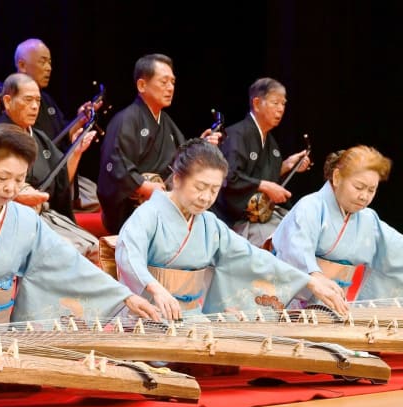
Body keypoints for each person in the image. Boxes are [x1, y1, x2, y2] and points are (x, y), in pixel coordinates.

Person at [0, 123, 160, 328]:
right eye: (2, 178)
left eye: (19, 179)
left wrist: (123, 295)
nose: (11, 188)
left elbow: (68, 263)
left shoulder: (26, 220)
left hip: (0, 328)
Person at [115, 139, 347, 319]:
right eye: (200, 187)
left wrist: (308, 280)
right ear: (177, 179)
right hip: (149, 316)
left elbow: (252, 258)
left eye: (214, 190)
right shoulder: (148, 215)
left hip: (190, 318)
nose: (206, 197)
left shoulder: (209, 223)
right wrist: (156, 289)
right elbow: (129, 257)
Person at [97, 53, 221, 234]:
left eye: (172, 82)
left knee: (205, 215)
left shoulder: (166, 122)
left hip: (165, 201)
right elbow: (115, 163)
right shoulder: (125, 120)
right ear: (142, 85)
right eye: (164, 82)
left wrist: (202, 145)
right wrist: (143, 186)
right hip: (133, 208)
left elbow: (183, 155)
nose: (170, 88)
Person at [273, 146, 403, 304]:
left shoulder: (369, 218)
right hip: (298, 300)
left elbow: (397, 251)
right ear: (337, 177)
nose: (364, 197)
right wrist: (315, 277)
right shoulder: (310, 207)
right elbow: (296, 252)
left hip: (340, 302)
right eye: (358, 187)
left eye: (371, 190)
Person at [0, 73, 99, 260]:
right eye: (28, 100)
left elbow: (61, 181)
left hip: (45, 214)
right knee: (72, 253)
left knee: (96, 247)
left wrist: (76, 152)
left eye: (37, 100)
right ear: (8, 101)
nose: (35, 106)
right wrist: (22, 196)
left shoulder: (40, 138)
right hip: (14, 220)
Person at [214, 78, 311, 246]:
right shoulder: (237, 134)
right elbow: (228, 178)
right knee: (281, 243)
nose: (281, 109)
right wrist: (264, 185)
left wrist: (287, 166)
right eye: (275, 103)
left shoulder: (271, 143)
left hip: (263, 216)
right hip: (238, 220)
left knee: (302, 229)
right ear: (257, 103)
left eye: (283, 104)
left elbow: (263, 177)